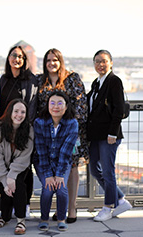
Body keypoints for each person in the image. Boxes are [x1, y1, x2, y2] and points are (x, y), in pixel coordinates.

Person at [37, 48, 88, 223]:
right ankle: (58, 209)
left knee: (71, 167)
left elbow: (81, 105)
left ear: (61, 61)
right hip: (48, 131)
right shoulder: (40, 80)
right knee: (52, 168)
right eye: (48, 60)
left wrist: (69, 126)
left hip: (70, 131)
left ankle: (71, 208)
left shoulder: (72, 78)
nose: (52, 63)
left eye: (55, 60)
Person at [87, 50, 132, 222]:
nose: (100, 64)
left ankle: (108, 208)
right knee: (94, 169)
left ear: (111, 63)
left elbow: (119, 109)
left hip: (109, 136)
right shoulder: (96, 83)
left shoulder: (114, 81)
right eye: (97, 61)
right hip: (96, 135)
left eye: (104, 61)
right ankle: (120, 199)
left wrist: (113, 133)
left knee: (108, 172)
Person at [0, 46, 39, 218]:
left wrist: (26, 129)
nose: (17, 59)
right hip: (5, 131)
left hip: (23, 130)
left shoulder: (31, 80)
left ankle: (25, 204)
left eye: (20, 56)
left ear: (25, 60)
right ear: (8, 58)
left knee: (24, 169)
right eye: (13, 55)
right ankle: (9, 205)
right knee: (7, 167)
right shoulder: (3, 79)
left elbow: (33, 106)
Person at [34, 91, 78, 231]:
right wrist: (48, 174)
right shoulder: (39, 122)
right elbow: (40, 151)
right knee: (47, 189)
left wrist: (58, 175)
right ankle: (44, 218)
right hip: (43, 162)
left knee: (61, 189)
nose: (56, 107)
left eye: (60, 103)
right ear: (47, 106)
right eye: (52, 103)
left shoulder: (72, 123)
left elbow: (66, 152)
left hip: (62, 163)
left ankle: (61, 218)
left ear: (66, 107)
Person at [0, 99, 34, 235]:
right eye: (16, 111)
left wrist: (12, 176)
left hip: (20, 167)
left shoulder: (29, 130)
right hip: (0, 168)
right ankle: (5, 216)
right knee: (6, 188)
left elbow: (25, 156)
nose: (19, 115)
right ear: (10, 112)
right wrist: (5, 179)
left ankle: (21, 219)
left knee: (18, 184)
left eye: (23, 112)